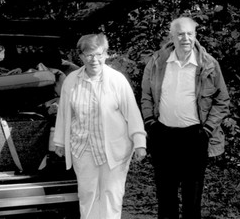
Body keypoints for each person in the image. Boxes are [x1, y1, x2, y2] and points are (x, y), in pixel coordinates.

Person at [141, 17, 230, 219]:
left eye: (190, 33)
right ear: (172, 36)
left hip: (195, 137)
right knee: (165, 199)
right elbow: (146, 95)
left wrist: (207, 130)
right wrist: (149, 123)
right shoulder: (156, 62)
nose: (185, 38)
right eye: (180, 34)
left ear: (195, 35)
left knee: (192, 200)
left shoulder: (208, 64)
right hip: (163, 135)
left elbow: (222, 99)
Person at [53, 33, 147, 219]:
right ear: (80, 57)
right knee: (88, 195)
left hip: (113, 148)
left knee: (111, 195)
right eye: (88, 55)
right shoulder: (71, 80)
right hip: (83, 147)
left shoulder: (117, 80)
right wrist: (60, 142)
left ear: (105, 54)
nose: (94, 60)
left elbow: (132, 113)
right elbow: (64, 113)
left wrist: (139, 142)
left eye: (98, 54)